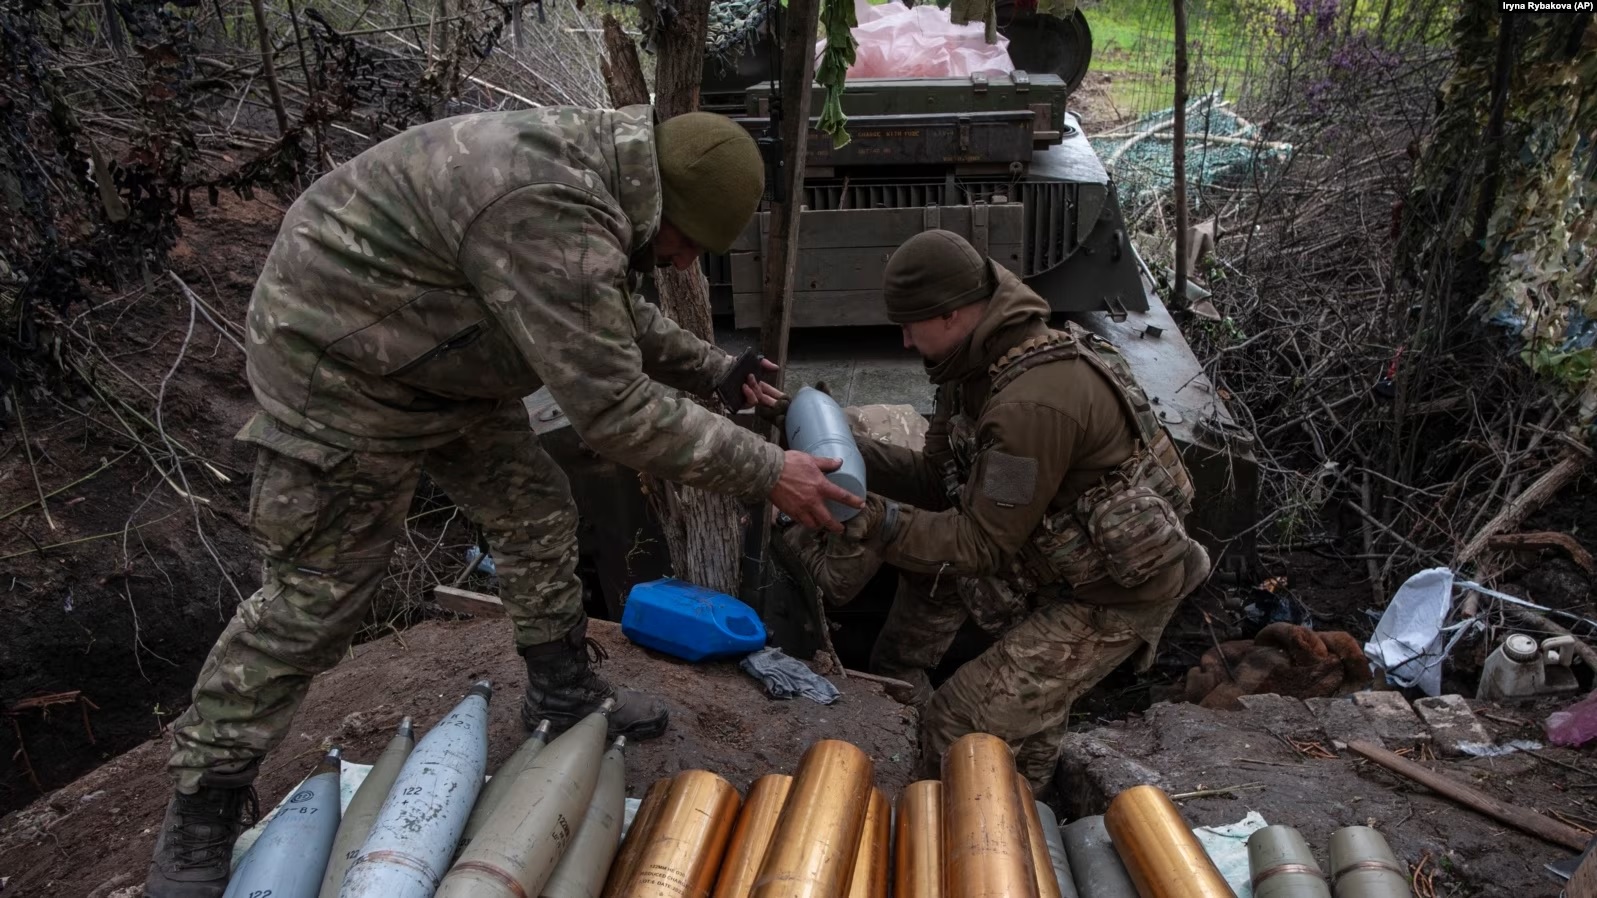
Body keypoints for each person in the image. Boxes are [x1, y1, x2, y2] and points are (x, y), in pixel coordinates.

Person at [144, 105, 861, 898]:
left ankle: (561, 695)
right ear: (665, 204)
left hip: (446, 352)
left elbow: (606, 309)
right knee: (319, 594)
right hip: (339, 371)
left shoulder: (604, 183)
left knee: (536, 508)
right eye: (687, 243)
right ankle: (202, 806)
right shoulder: (545, 204)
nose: (685, 262)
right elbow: (615, 408)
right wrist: (769, 471)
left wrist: (713, 370)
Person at [777, 229, 1211, 792]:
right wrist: (821, 434)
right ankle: (1028, 800)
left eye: (911, 326)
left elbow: (982, 544)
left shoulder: (1030, 406)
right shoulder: (974, 368)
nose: (905, 342)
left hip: (1112, 597)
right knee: (1014, 701)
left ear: (954, 314)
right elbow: (937, 482)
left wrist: (876, 520)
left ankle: (979, 837)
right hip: (1055, 565)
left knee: (958, 722)